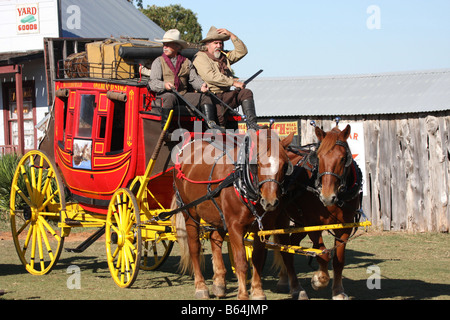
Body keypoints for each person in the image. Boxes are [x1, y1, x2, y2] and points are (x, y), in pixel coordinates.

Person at [148, 29, 218, 129]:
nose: (165, 47)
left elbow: (194, 79)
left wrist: (201, 85)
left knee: (205, 97)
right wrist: (164, 85)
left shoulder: (186, 62)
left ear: (177, 46)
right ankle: (165, 131)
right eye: (164, 44)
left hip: (183, 94)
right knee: (170, 98)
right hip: (165, 95)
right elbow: (153, 82)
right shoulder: (158, 62)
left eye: (168, 44)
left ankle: (211, 129)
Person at [193, 26, 260, 130]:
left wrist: (231, 35)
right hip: (210, 96)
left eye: (221, 43)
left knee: (246, 93)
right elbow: (211, 76)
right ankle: (212, 131)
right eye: (216, 43)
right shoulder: (200, 57)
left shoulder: (224, 57)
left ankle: (252, 126)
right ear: (207, 44)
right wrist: (233, 82)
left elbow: (242, 51)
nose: (219, 46)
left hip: (225, 95)